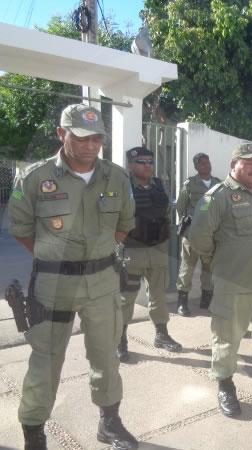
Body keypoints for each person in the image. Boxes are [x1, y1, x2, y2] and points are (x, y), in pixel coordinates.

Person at [8, 104, 138, 449]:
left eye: (97, 138)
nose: (90, 145)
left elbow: (124, 226)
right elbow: (20, 228)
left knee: (106, 356)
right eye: (81, 137)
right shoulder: (35, 178)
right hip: (53, 285)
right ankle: (33, 434)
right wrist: (55, 258)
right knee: (45, 360)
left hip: (102, 282)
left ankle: (109, 423)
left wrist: (94, 254)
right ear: (61, 134)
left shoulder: (116, 177)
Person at [189, 143, 252, 418]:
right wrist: (223, 262)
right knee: (227, 336)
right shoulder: (217, 197)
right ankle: (225, 384)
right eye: (249, 163)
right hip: (233, 281)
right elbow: (199, 239)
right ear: (233, 165)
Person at [118, 147, 183, 362]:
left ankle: (161, 335)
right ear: (130, 165)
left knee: (158, 295)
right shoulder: (121, 185)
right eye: (141, 162)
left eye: (150, 162)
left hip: (158, 250)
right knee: (126, 297)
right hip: (133, 250)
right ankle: (120, 340)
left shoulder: (159, 185)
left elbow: (165, 213)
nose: (147, 166)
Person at [175, 153, 221, 314]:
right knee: (187, 267)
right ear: (196, 167)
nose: (206, 166)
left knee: (209, 268)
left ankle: (206, 299)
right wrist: (191, 222)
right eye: (202, 163)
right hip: (192, 234)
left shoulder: (218, 184)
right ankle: (182, 302)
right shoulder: (190, 184)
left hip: (211, 235)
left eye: (207, 162)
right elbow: (181, 206)